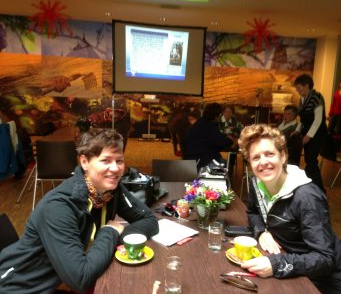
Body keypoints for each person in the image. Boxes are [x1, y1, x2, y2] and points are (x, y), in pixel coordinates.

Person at [0, 128, 159, 293]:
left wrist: (110, 242)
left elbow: (149, 221)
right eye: (106, 160)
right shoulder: (58, 207)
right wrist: (110, 232)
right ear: (84, 162)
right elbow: (80, 280)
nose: (115, 168)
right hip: (21, 287)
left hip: (60, 280)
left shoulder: (111, 189)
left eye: (119, 161)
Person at [238, 124, 341, 293]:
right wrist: (261, 232)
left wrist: (276, 264)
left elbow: (324, 259)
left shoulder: (307, 197)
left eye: (270, 154)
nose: (263, 162)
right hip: (297, 268)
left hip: (330, 283)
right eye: (256, 157)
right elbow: (253, 212)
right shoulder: (257, 184)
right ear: (249, 162)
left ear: (283, 156)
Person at [294, 74, 328, 192]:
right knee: (309, 160)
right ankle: (312, 187)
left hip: (317, 133)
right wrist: (297, 130)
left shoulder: (317, 97)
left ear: (307, 85)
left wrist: (309, 135)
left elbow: (318, 120)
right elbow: (303, 119)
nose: (297, 90)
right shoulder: (302, 99)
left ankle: (319, 189)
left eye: (299, 88)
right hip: (307, 132)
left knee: (311, 160)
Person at [184, 102, 234, 169]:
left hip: (192, 159)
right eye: (220, 114)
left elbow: (214, 137)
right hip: (202, 160)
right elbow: (221, 143)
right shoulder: (210, 125)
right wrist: (230, 140)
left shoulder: (201, 122)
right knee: (227, 165)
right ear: (216, 115)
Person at [218, 105, 244, 178]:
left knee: (231, 157)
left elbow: (243, 131)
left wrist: (236, 140)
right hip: (219, 145)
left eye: (230, 112)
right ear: (223, 112)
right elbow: (215, 134)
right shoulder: (218, 121)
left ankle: (229, 176)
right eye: (226, 112)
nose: (228, 114)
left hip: (232, 145)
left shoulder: (235, 122)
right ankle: (220, 175)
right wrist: (225, 136)